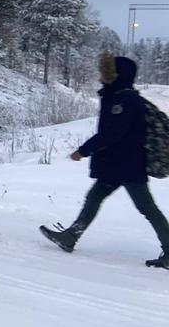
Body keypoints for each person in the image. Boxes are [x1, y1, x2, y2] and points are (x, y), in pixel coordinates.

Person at [40, 53, 169, 269]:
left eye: (105, 71)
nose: (101, 75)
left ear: (116, 74)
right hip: (118, 164)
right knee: (95, 197)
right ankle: (71, 236)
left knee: (146, 207)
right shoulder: (118, 95)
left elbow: (112, 134)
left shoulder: (125, 100)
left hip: (128, 165)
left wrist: (83, 151)